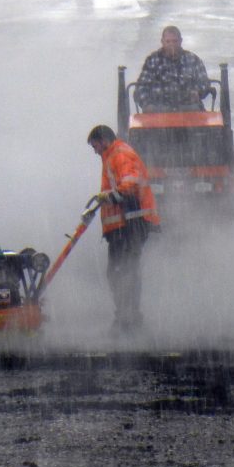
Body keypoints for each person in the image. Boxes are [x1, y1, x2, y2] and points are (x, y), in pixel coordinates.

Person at [87, 125, 160, 334]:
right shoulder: (111, 156)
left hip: (131, 224)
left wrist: (108, 196)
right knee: (121, 272)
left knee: (123, 271)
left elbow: (129, 184)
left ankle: (128, 319)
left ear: (104, 140)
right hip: (124, 226)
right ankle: (127, 318)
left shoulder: (119, 154)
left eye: (95, 146)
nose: (95, 151)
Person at [134, 25, 211, 113]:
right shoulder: (152, 60)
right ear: (162, 42)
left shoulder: (193, 59)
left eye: (175, 41)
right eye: (168, 41)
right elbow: (141, 87)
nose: (172, 45)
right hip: (159, 111)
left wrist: (198, 92)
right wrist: (147, 104)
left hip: (188, 109)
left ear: (180, 41)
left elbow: (205, 83)